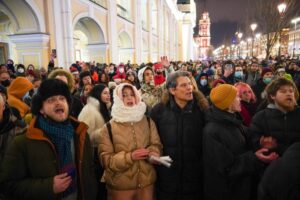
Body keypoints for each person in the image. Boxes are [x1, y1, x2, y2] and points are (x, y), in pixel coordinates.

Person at [0, 79, 98, 200]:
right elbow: (8, 185)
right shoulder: (23, 142)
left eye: (62, 99)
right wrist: (48, 186)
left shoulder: (80, 134)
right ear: (41, 109)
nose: (58, 103)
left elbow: (89, 172)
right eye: (51, 100)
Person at [203, 84, 277, 200]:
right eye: (237, 97)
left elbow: (245, 142)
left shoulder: (233, 121)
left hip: (240, 188)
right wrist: (255, 157)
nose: (240, 99)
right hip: (227, 192)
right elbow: (227, 168)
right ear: (227, 102)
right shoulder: (212, 131)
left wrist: (260, 143)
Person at [150, 71, 209, 200]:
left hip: (194, 176)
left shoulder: (202, 110)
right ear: (172, 90)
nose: (189, 88)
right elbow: (151, 139)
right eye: (183, 85)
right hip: (167, 176)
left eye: (190, 84)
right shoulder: (158, 111)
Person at [99, 83, 162, 200]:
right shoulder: (108, 127)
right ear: (117, 99)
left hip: (146, 185)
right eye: (124, 95)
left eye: (132, 95)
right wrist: (130, 157)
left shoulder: (148, 121)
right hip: (121, 188)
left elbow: (156, 144)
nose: (129, 98)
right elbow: (106, 160)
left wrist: (154, 153)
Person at [249, 77, 300, 157]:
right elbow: (253, 143)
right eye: (283, 91)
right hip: (273, 164)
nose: (289, 94)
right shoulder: (260, 118)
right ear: (272, 96)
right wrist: (261, 145)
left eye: (291, 91)